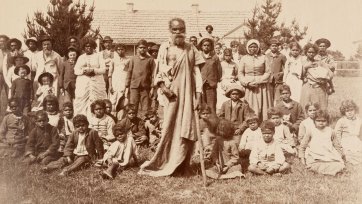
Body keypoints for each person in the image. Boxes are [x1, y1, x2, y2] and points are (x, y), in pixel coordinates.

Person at [139, 17, 204, 176]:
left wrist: (198, 96)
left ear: (185, 30)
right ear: (170, 31)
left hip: (188, 94)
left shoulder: (191, 49)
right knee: (170, 127)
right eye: (175, 30)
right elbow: (159, 71)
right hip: (171, 95)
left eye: (181, 29)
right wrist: (163, 88)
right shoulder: (164, 48)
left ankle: (183, 164)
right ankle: (167, 162)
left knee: (187, 127)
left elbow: (197, 74)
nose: (178, 33)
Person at [299, 110, 345, 176]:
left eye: (323, 121)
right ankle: (325, 170)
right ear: (314, 121)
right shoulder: (311, 130)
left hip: (328, 154)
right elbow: (302, 146)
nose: (321, 123)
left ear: (327, 121)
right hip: (315, 155)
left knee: (339, 165)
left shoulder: (331, 131)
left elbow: (337, 145)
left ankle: (330, 170)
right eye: (318, 121)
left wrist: (340, 156)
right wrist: (302, 159)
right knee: (313, 165)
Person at [238, 39, 273, 121]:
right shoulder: (244, 58)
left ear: (258, 48)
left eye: (255, 47)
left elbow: (268, 72)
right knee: (250, 105)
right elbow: (240, 73)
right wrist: (247, 83)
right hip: (249, 86)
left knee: (263, 105)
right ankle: (251, 122)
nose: (253, 49)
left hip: (262, 85)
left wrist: (260, 81)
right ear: (247, 48)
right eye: (251, 47)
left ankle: (263, 122)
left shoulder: (264, 57)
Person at [73, 38, 107, 117]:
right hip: (84, 83)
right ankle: (82, 119)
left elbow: (103, 69)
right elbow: (76, 70)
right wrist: (84, 71)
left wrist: (94, 70)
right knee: (81, 102)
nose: (88, 48)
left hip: (96, 82)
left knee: (97, 101)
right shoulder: (81, 57)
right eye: (86, 46)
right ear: (84, 48)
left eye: (90, 46)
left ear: (93, 47)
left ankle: (96, 119)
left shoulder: (98, 56)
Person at [125, 39, 155, 118]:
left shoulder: (150, 60)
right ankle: (133, 125)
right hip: (134, 87)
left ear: (147, 48)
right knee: (133, 107)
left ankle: (144, 126)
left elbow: (153, 75)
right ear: (138, 48)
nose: (142, 49)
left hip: (145, 87)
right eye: (140, 47)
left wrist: (152, 87)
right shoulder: (133, 59)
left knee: (145, 108)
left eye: (144, 48)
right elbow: (129, 72)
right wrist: (127, 86)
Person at [300, 43, 333, 110]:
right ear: (306, 52)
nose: (311, 54)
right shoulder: (302, 62)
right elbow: (301, 76)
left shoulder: (320, 62)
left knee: (320, 104)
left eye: (313, 52)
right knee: (307, 103)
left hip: (320, 86)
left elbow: (329, 74)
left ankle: (320, 119)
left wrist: (330, 86)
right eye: (309, 52)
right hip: (308, 86)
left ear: (315, 53)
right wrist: (306, 67)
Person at [198, 37, 222, 114]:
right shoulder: (198, 57)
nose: (206, 47)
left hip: (211, 85)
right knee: (201, 104)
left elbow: (219, 71)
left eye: (208, 45)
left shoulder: (215, 57)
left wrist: (215, 81)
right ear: (201, 46)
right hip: (201, 84)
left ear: (211, 46)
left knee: (211, 105)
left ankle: (212, 123)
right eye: (204, 45)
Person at [334, 100, 362, 165]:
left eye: (351, 110)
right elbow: (337, 134)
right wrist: (339, 146)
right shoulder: (341, 121)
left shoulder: (359, 120)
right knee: (348, 154)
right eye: (347, 111)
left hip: (356, 141)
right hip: (345, 142)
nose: (349, 113)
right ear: (344, 112)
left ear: (355, 110)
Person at [108, 43, 129, 119]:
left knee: (123, 103)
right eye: (118, 49)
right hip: (114, 84)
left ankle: (121, 120)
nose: (120, 51)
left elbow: (128, 74)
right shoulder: (113, 61)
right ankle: (113, 120)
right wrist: (110, 86)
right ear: (116, 51)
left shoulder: (128, 60)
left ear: (125, 50)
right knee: (113, 102)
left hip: (123, 84)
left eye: (122, 49)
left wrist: (126, 86)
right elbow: (109, 74)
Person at [265, 38, 287, 104]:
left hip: (278, 80)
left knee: (278, 98)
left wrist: (282, 73)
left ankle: (278, 111)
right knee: (269, 97)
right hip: (269, 80)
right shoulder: (266, 56)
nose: (274, 47)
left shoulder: (282, 56)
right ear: (270, 47)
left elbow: (286, 67)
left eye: (276, 46)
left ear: (278, 47)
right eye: (272, 46)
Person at [0, 34, 10, 101]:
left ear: (7, 42)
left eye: (3, 41)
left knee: (9, 93)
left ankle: (10, 109)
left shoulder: (10, 52)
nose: (1, 43)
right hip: (0, 75)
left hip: (8, 75)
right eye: (0, 41)